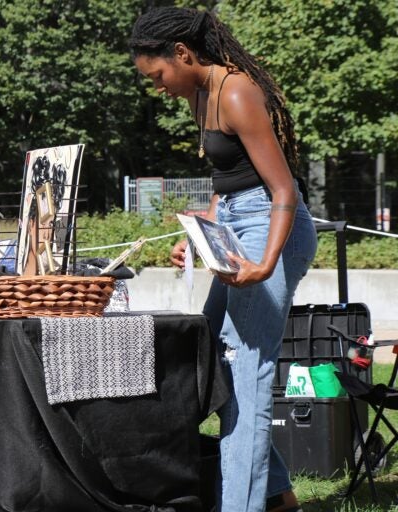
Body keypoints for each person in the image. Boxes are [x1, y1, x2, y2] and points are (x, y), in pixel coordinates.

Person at [130, 7, 317, 512]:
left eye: (158, 75)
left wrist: (265, 263)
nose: (157, 86)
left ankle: (244, 505)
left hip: (273, 225)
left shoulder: (235, 92)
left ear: (183, 54)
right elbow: (226, 185)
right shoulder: (199, 95)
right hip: (239, 223)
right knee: (206, 357)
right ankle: (278, 496)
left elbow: (282, 190)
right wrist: (202, 236)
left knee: (245, 373)